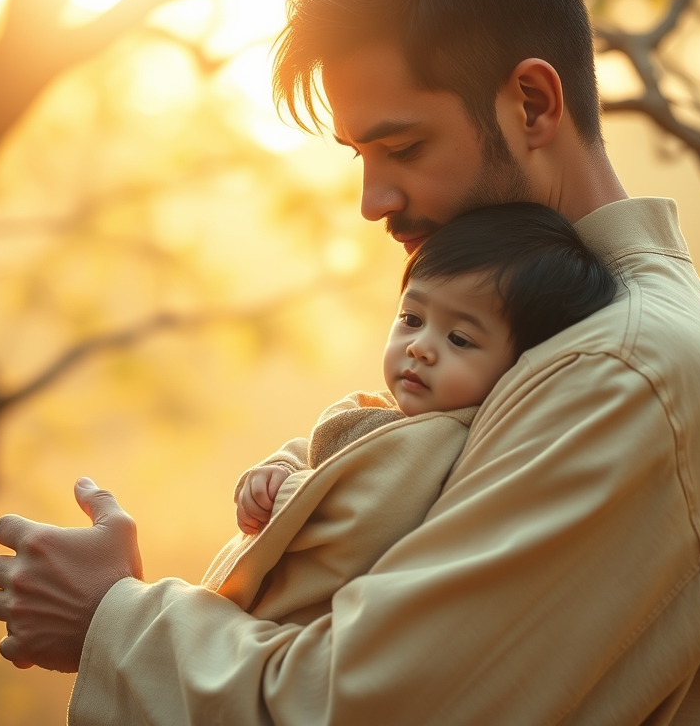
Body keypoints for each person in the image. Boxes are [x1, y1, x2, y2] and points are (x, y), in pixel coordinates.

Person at [0, 0, 700, 723]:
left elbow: (367, 707)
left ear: (535, 106)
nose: (374, 199)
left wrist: (111, 620)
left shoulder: (623, 373)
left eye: (403, 147)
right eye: (360, 155)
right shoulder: (572, 340)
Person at [213, 205, 615, 626]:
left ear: (520, 366)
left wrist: (288, 491)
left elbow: (361, 516)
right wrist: (280, 467)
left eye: (459, 338)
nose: (420, 346)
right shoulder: (383, 410)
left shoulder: (447, 446)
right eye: (411, 318)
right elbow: (322, 455)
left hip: (294, 630)